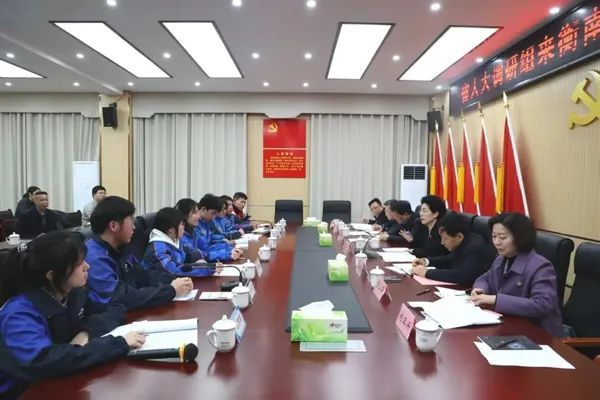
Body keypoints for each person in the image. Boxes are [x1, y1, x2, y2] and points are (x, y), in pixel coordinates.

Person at [0, 231, 146, 399]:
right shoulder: (18, 314)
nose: (87, 266)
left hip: (61, 382)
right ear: (52, 275)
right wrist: (118, 344)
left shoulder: (74, 293)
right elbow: (45, 361)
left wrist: (86, 333)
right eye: (78, 263)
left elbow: (116, 308)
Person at [85, 196, 193, 312]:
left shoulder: (120, 248)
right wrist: (171, 290)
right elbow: (123, 297)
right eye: (131, 220)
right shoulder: (94, 258)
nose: (134, 226)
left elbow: (144, 277)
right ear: (114, 226)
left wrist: (176, 280)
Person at [469, 213, 563, 337]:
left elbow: (543, 304)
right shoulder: (501, 258)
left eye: (502, 237)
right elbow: (486, 277)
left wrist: (495, 300)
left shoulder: (541, 266)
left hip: (538, 334)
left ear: (520, 238)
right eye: (494, 236)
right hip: (509, 326)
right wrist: (481, 288)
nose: (496, 242)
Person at [411, 212, 496, 286]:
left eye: (445, 239)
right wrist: (426, 261)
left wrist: (427, 272)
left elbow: (462, 275)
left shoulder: (474, 248)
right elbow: (450, 258)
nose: (442, 242)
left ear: (459, 236)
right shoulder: (465, 241)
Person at [142, 207, 221, 284]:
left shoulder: (174, 240)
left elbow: (189, 254)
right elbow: (174, 271)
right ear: (170, 229)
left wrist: (206, 264)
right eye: (181, 224)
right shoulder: (158, 250)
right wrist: (206, 268)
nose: (184, 227)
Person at [196, 194, 244, 262]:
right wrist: (227, 254)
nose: (213, 217)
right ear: (203, 209)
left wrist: (229, 248)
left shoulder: (205, 222)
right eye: (212, 213)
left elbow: (211, 240)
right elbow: (203, 252)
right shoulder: (195, 225)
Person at [174, 198, 205, 262]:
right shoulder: (180, 235)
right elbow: (194, 254)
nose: (199, 216)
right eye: (195, 213)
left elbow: (204, 247)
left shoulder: (193, 230)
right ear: (185, 215)